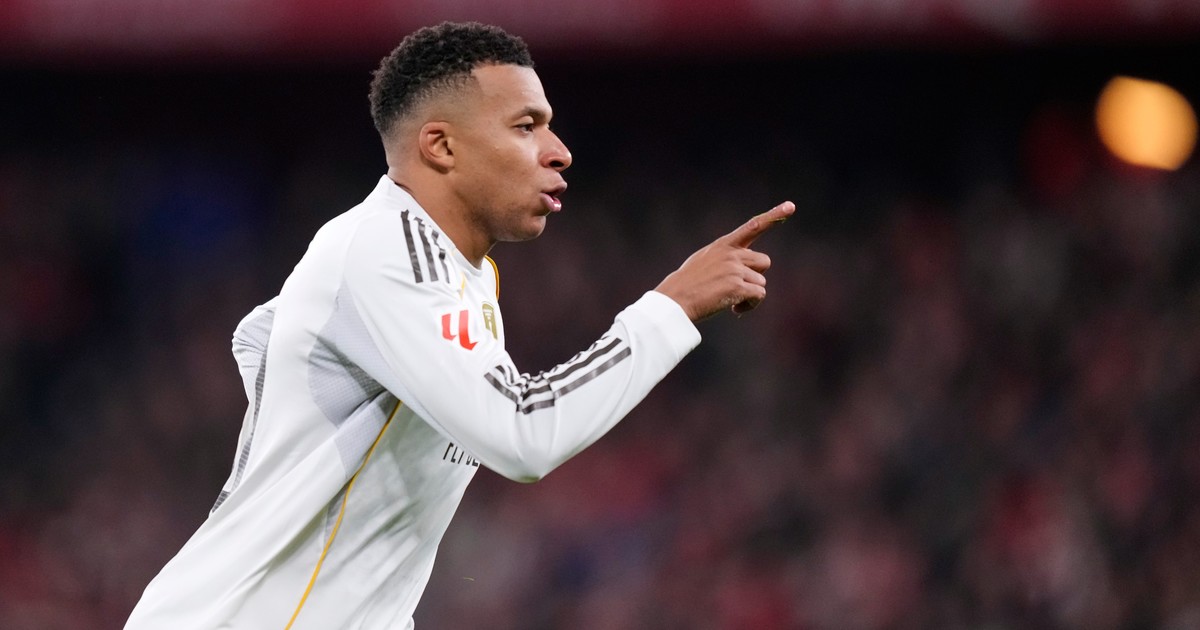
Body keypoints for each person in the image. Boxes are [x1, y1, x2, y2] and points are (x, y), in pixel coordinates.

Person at [125, 21, 793, 629]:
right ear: (441, 146)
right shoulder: (387, 250)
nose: (559, 151)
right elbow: (523, 433)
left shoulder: (452, 276)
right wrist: (671, 306)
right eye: (526, 126)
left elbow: (258, 336)